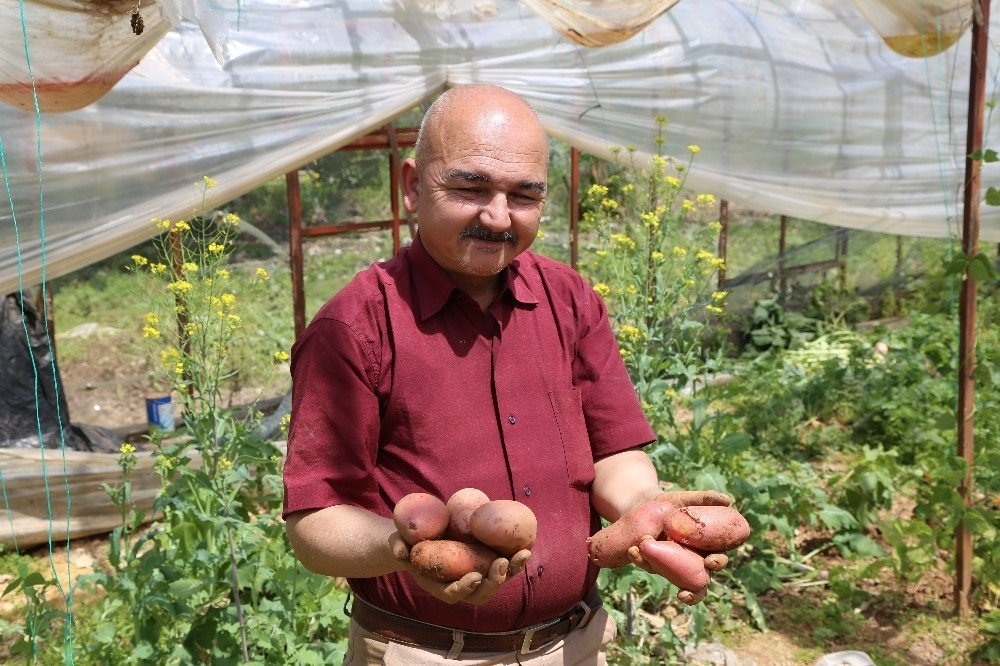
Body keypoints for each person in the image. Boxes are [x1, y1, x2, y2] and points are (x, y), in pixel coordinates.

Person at [282, 84, 733, 665]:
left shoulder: (569, 298)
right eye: (470, 187)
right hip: (423, 655)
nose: (498, 217)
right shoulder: (354, 325)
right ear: (414, 186)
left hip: (574, 644)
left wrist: (644, 507)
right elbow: (314, 523)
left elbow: (614, 452)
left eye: (524, 196)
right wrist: (406, 549)